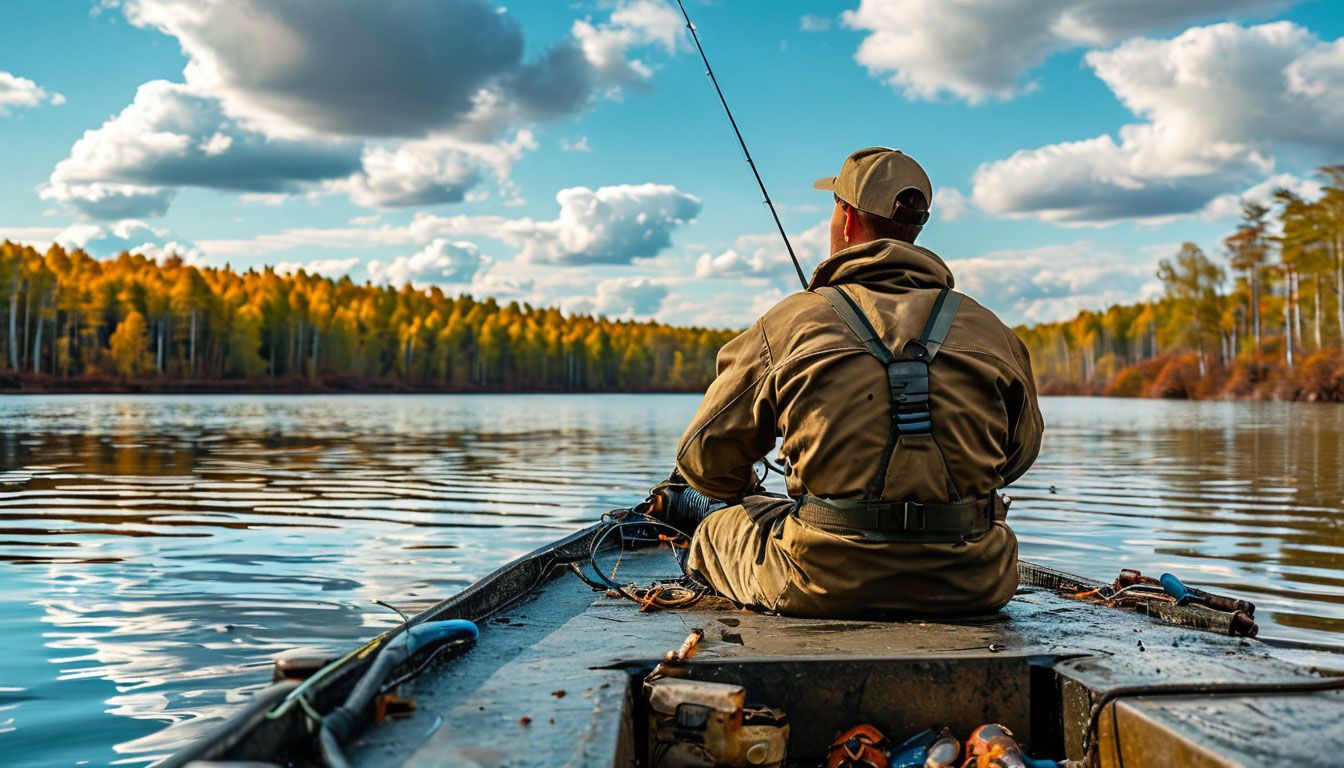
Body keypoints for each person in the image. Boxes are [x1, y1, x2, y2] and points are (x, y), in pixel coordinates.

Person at [669, 147, 1043, 618]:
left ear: (846, 220)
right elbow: (1018, 457)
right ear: (915, 229)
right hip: (976, 580)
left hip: (820, 582)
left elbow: (703, 462)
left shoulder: (790, 323)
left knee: (712, 530)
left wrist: (745, 492)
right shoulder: (993, 331)